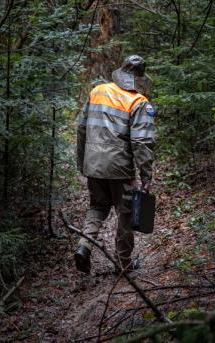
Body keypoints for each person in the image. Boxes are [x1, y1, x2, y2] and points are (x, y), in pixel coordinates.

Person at [74, 55, 156, 274]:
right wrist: (146, 176)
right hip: (120, 169)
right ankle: (124, 263)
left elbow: (81, 128)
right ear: (138, 79)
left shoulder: (97, 91)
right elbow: (142, 141)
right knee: (126, 214)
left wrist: (82, 161)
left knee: (97, 207)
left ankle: (84, 246)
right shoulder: (139, 102)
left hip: (93, 164)